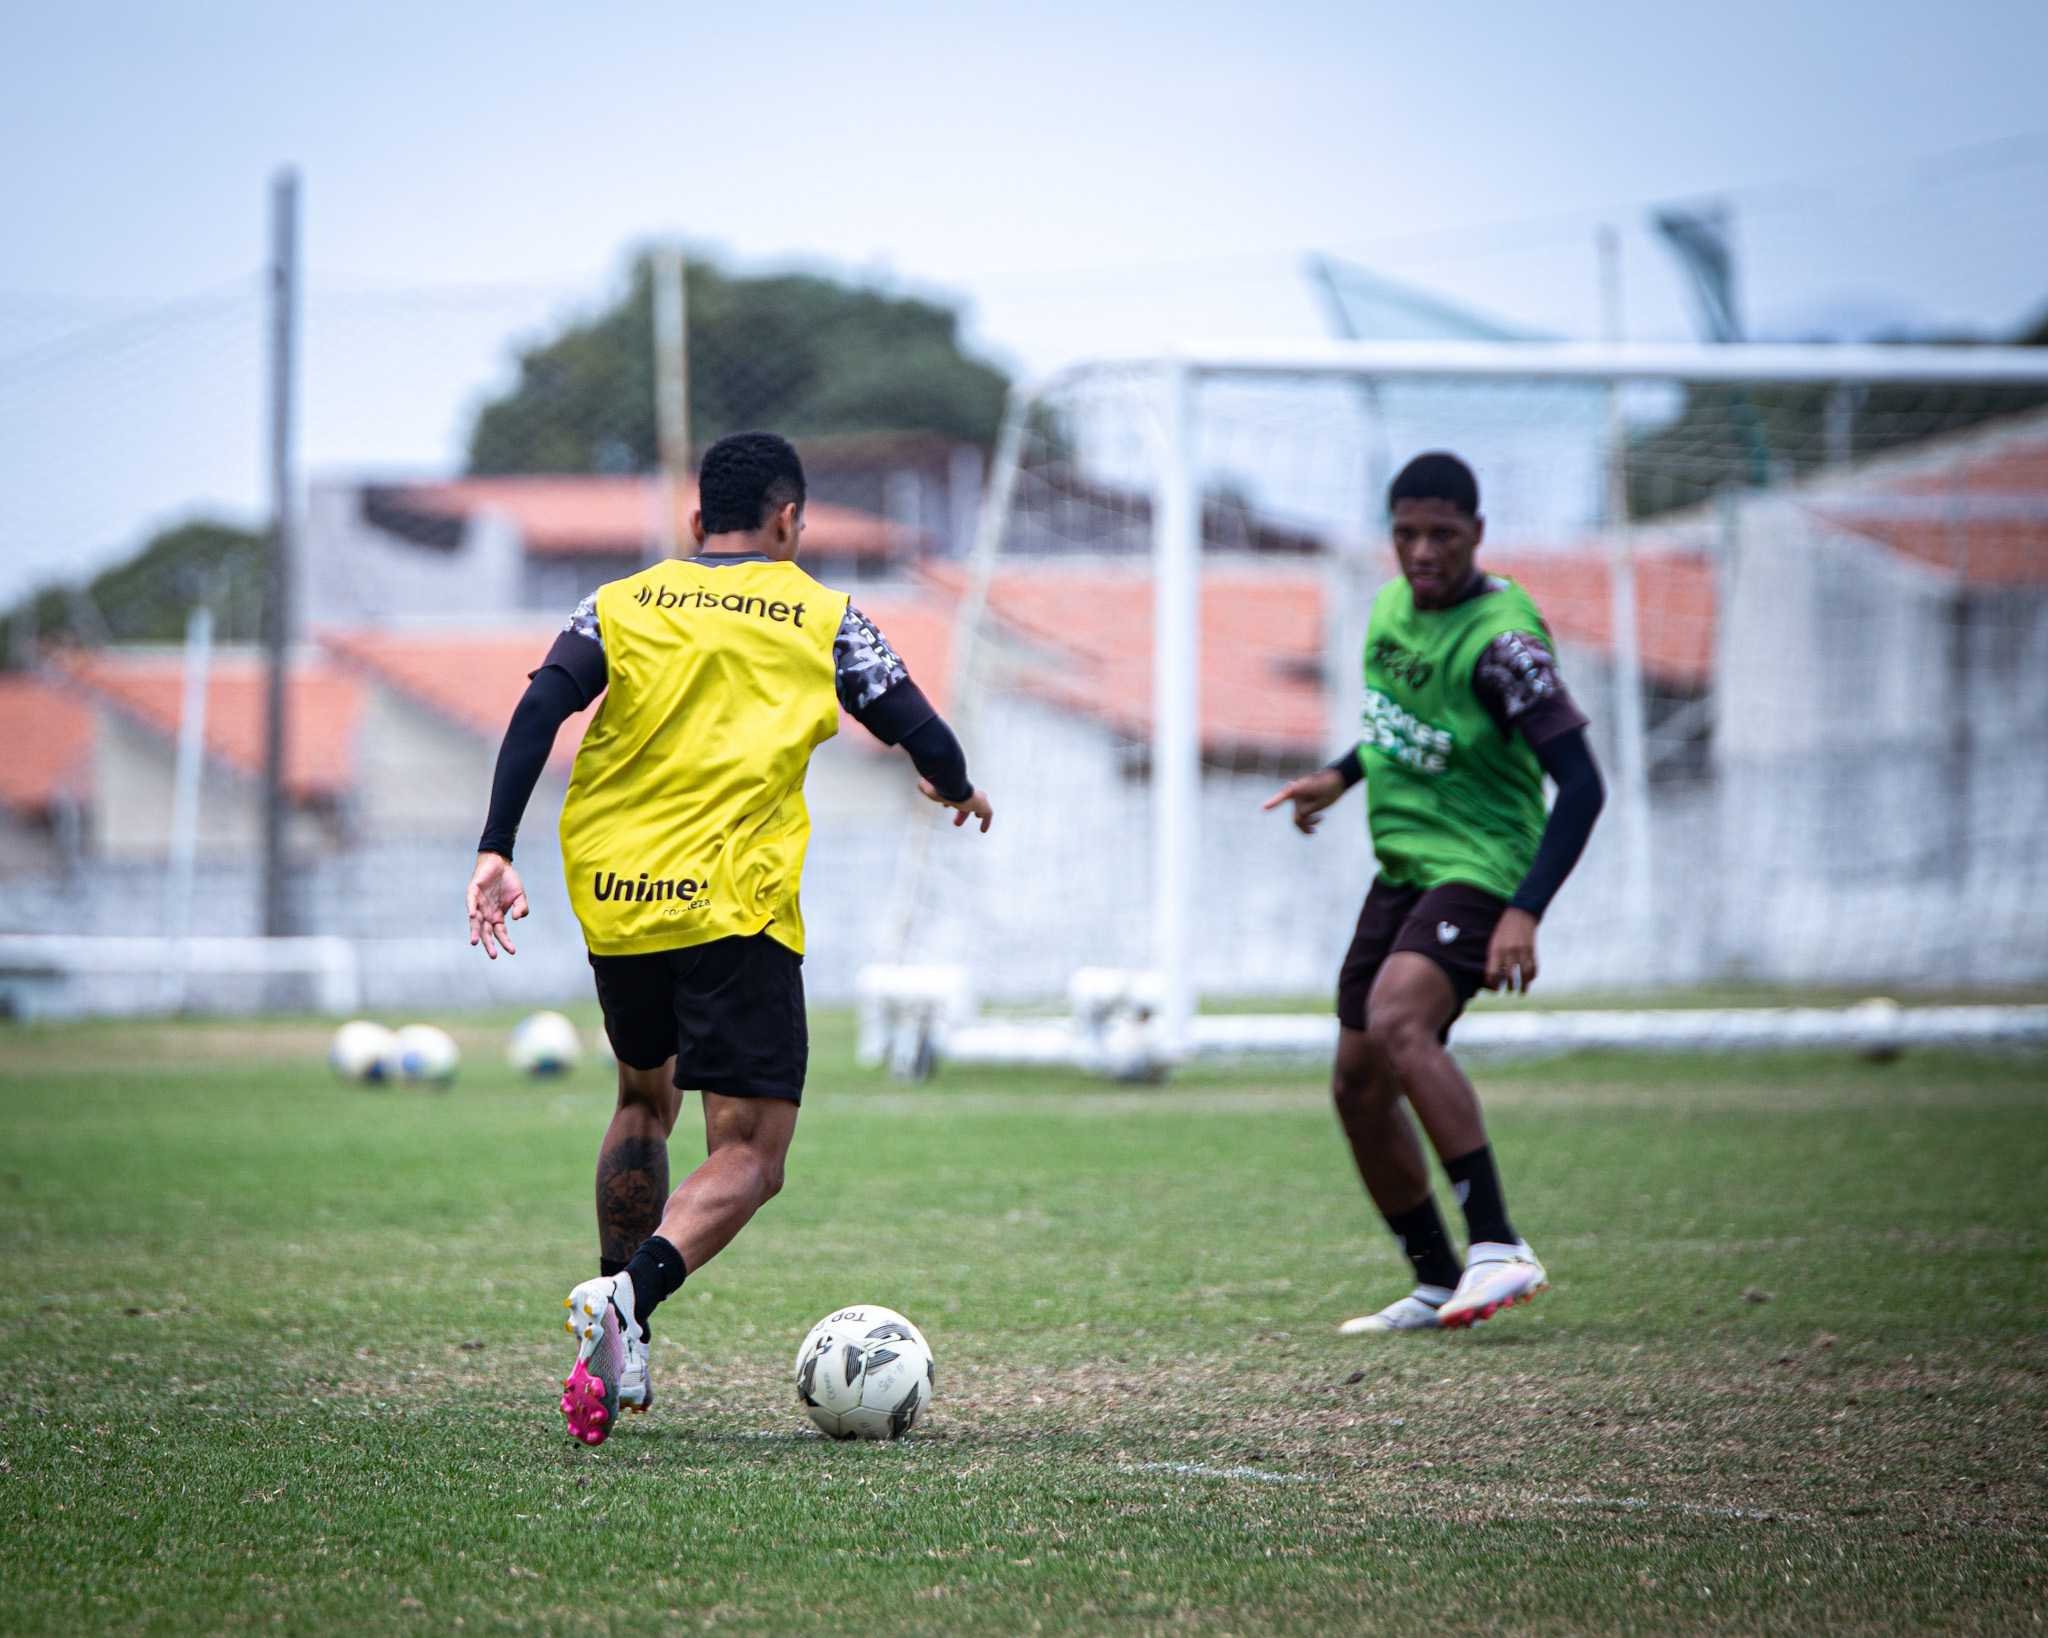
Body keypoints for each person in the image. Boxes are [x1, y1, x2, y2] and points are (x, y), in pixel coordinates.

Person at [466, 430, 993, 1443]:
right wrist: (955, 782)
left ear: (695, 522)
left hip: (616, 899)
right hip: (732, 909)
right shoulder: (823, 614)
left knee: (640, 1097)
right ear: (788, 520)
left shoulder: (617, 602)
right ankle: (628, 1298)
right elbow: (917, 726)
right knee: (750, 1154)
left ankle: (622, 1352)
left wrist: (496, 846)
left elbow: (541, 704)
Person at [1264, 451, 1603, 1333]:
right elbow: (1396, 728)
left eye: (1442, 535)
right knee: (1356, 1083)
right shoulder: (1386, 607)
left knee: (1399, 1021)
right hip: (1407, 866)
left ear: (1477, 536)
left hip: (1485, 865)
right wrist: (1340, 777)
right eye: (1407, 533)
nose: (1422, 551)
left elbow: (1584, 783)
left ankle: (1498, 1246)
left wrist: (1524, 908)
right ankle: (1436, 1279)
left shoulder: (1505, 644)